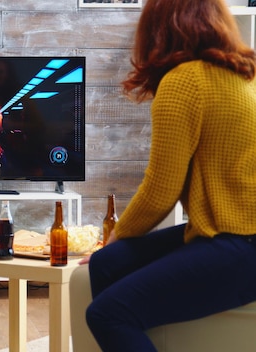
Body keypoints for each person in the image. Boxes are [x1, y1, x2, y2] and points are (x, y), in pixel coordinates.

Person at [80, 0, 256, 351]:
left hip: (240, 242)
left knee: (107, 314)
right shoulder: (240, 74)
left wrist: (116, 234)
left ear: (157, 28)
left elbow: (161, 189)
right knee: (105, 264)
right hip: (229, 231)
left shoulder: (184, 81)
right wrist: (110, 248)